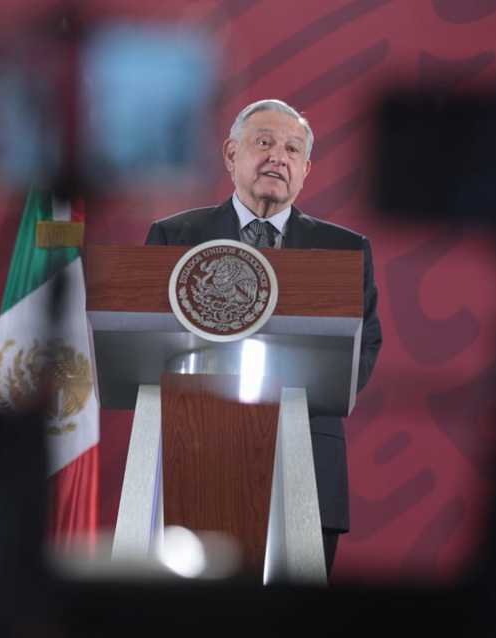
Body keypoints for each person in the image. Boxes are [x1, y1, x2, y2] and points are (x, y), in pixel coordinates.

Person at [145, 99, 382, 576]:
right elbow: (148, 337)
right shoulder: (174, 237)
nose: (279, 156)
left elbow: (365, 346)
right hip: (195, 453)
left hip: (308, 460)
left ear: (305, 170)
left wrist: (289, 404)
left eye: (293, 149)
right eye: (264, 142)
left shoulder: (344, 250)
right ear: (231, 155)